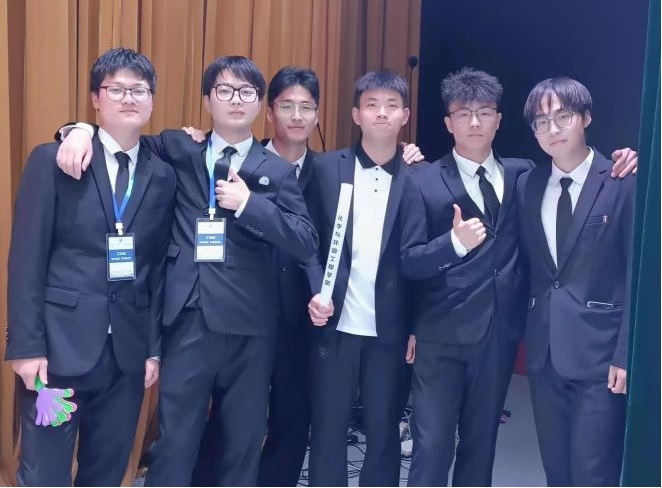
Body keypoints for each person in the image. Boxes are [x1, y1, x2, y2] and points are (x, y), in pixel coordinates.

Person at [55, 55, 318, 486]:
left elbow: (305, 239)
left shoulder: (276, 170)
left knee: (242, 442)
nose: (236, 100)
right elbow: (121, 138)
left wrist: (250, 205)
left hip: (252, 327)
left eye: (247, 92)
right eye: (225, 90)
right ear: (208, 100)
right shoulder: (179, 148)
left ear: (259, 105)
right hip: (189, 319)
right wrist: (79, 129)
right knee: (175, 441)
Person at [399, 67, 637, 486]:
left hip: (508, 339)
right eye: (463, 114)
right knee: (432, 449)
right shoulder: (426, 178)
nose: (475, 122)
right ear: (448, 122)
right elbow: (408, 261)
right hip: (444, 336)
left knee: (484, 449)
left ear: (498, 119)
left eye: (484, 112)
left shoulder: (525, 176)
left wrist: (631, 156)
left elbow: (633, 271)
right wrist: (452, 246)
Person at [5, 47, 176, 486]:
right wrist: (25, 346)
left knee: (106, 473)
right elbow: (26, 258)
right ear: (96, 99)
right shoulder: (55, 160)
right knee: (44, 475)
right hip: (56, 355)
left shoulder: (161, 176)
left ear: (152, 101)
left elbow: (156, 270)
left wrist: (153, 348)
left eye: (139, 90)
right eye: (116, 89)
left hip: (126, 358)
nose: (129, 98)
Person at [190, 66, 322, 487]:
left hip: (301, 315)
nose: (297, 116)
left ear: (318, 114)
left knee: (291, 415)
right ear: (269, 111)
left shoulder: (332, 170)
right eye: (286, 106)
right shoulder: (230, 157)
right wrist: (76, 129)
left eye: (306, 107)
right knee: (225, 418)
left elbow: (319, 241)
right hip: (238, 312)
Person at [517, 77, 633, 486]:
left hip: (601, 357)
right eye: (541, 122)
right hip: (545, 354)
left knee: (594, 474)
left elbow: (636, 276)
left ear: (585, 117)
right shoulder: (528, 185)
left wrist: (626, 355)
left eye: (562, 116)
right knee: (557, 473)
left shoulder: (622, 180)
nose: (552, 129)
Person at [306, 69, 416, 486]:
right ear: (356, 115)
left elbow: (422, 261)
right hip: (335, 324)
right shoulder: (325, 167)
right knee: (328, 429)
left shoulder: (420, 175)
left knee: (384, 432)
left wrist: (418, 326)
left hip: (391, 327)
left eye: (391, 106)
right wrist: (316, 291)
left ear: (405, 115)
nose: (381, 113)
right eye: (372, 105)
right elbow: (308, 242)